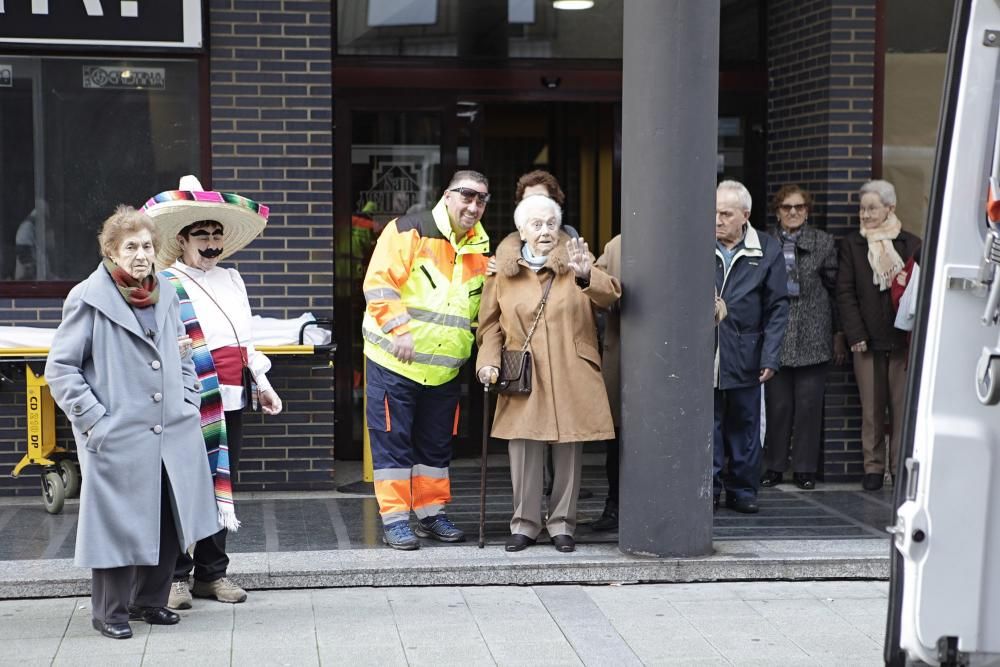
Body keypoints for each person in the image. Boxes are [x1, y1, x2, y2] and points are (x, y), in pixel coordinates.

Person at [44, 205, 220, 639]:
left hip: (170, 431)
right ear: (111, 251)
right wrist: (95, 424)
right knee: (117, 526)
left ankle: (149, 602)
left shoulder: (166, 293)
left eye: (146, 246)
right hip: (117, 434)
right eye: (130, 247)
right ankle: (110, 612)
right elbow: (61, 370)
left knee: (167, 519)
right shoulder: (88, 297)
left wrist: (189, 398)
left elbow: (181, 351)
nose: (140, 255)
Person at [143, 175, 282, 608]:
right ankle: (176, 577)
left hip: (234, 394)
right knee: (184, 485)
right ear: (182, 241)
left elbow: (247, 339)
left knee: (221, 483)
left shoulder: (233, 279)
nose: (210, 241)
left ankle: (212, 574)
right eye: (201, 234)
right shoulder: (166, 282)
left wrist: (262, 381)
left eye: (216, 233)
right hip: (189, 395)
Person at [477, 194, 620, 552]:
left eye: (551, 224)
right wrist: (488, 362)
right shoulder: (502, 271)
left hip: (572, 367)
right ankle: (525, 524)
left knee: (569, 448)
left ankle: (562, 525)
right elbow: (490, 325)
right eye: (536, 225)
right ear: (521, 231)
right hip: (525, 371)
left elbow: (611, 296)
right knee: (523, 447)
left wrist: (587, 274)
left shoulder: (575, 261)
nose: (545, 231)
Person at [362, 170, 491, 550]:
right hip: (394, 362)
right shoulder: (408, 229)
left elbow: (476, 311)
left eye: (482, 199)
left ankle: (431, 514)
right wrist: (399, 330)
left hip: (444, 370)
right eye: (467, 195)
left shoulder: (480, 249)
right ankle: (396, 520)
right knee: (393, 445)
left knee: (435, 449)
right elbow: (380, 282)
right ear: (447, 195)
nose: (474, 205)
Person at [760, 186, 847, 491]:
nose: (793, 212)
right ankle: (773, 466)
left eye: (799, 207)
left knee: (809, 406)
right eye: (786, 207)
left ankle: (805, 468)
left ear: (807, 211)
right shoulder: (764, 242)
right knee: (778, 405)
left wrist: (838, 333)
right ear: (777, 211)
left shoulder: (823, 243)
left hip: (814, 329)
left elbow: (837, 292)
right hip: (777, 332)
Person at [836, 179, 921, 491]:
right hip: (866, 340)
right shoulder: (852, 245)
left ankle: (898, 468)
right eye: (862, 208)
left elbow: (918, 291)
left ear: (890, 208)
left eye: (872, 208)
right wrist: (854, 334)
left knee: (901, 409)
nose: (865, 214)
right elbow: (844, 293)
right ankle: (872, 468)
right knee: (871, 409)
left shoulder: (911, 244)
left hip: (901, 340)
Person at [714, 180, 789, 514]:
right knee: (708, 423)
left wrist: (771, 355)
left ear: (745, 215)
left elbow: (777, 308)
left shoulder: (767, 249)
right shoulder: (698, 245)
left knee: (745, 424)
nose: (717, 220)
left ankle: (743, 489)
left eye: (726, 214)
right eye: (713, 212)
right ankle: (710, 489)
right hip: (706, 351)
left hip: (747, 350)